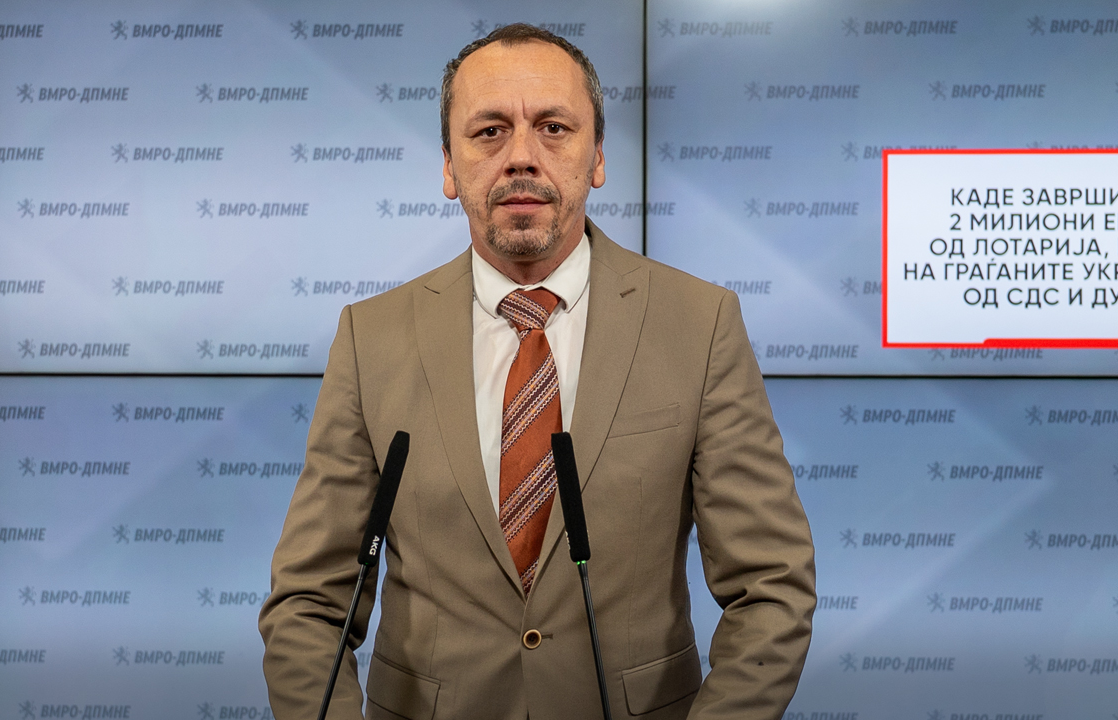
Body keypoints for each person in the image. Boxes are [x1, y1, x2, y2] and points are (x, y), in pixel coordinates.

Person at [259, 23, 815, 720]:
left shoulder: (700, 326)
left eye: (553, 128)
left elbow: (772, 587)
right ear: (448, 166)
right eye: (489, 131)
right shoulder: (369, 338)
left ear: (598, 156)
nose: (521, 156)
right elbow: (309, 603)